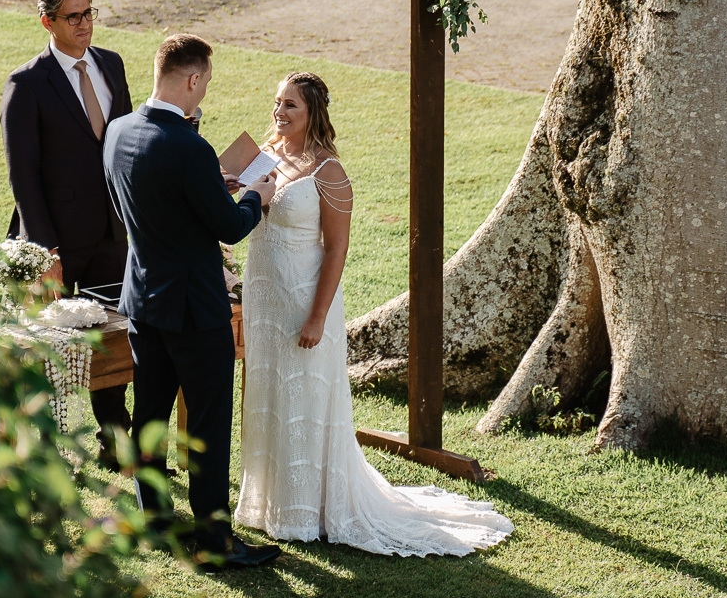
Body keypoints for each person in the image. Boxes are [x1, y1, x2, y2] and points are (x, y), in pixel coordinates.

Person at [234, 72, 515, 556]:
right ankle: (267, 504)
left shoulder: (329, 172)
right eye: (277, 102)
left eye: (291, 105)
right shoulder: (263, 155)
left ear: (313, 113)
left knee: (304, 400)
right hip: (265, 300)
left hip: (304, 300)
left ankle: (308, 511)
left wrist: (317, 317)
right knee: (268, 394)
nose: (279, 112)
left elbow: (337, 249)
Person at [101, 33, 282, 569]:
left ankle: (154, 521)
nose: (203, 93)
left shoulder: (118, 131)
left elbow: (143, 205)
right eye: (204, 83)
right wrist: (256, 196)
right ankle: (214, 539)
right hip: (195, 310)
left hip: (143, 299)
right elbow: (230, 227)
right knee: (207, 424)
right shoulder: (190, 148)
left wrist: (208, 188)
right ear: (193, 78)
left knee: (150, 414)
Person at [0, 0, 132, 468]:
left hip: (112, 234)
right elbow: (23, 176)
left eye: (88, 12)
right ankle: (41, 451)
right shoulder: (27, 84)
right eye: (72, 16)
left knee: (113, 343)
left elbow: (123, 145)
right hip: (54, 240)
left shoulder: (112, 64)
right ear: (47, 22)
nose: (84, 24)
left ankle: (115, 443)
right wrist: (44, 251)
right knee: (45, 347)